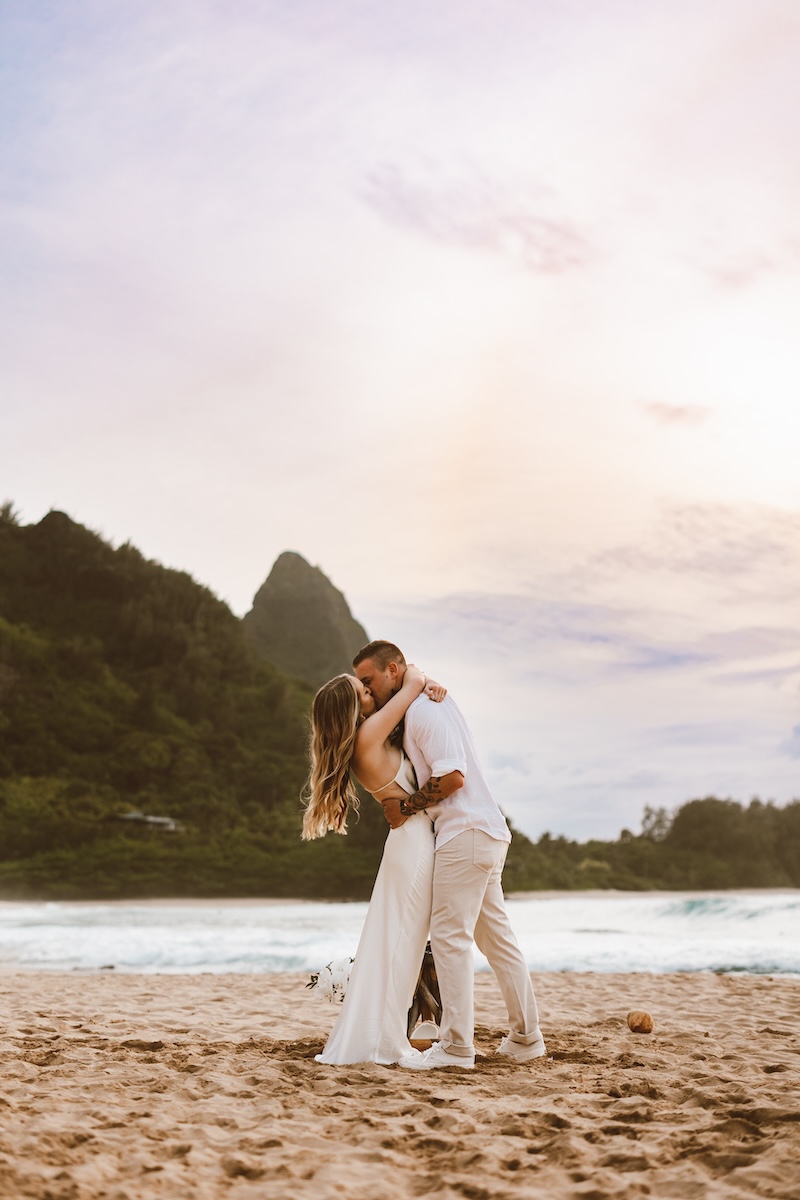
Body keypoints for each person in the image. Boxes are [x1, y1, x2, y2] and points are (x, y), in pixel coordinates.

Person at [353, 640, 546, 1070]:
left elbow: (453, 777)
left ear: (393, 669)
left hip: (465, 832)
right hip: (482, 831)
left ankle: (457, 1046)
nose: (368, 689)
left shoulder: (425, 710)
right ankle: (526, 1037)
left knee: (448, 938)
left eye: (369, 680)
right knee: (496, 942)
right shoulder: (420, 703)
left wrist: (406, 806)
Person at [302, 663, 445, 1065]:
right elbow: (412, 681)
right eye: (362, 691)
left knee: (396, 945)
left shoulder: (365, 740)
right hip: (413, 843)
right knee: (401, 947)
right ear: (352, 709)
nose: (370, 693)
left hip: (407, 842)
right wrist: (426, 682)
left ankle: (382, 1035)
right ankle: (383, 1040)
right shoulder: (368, 736)